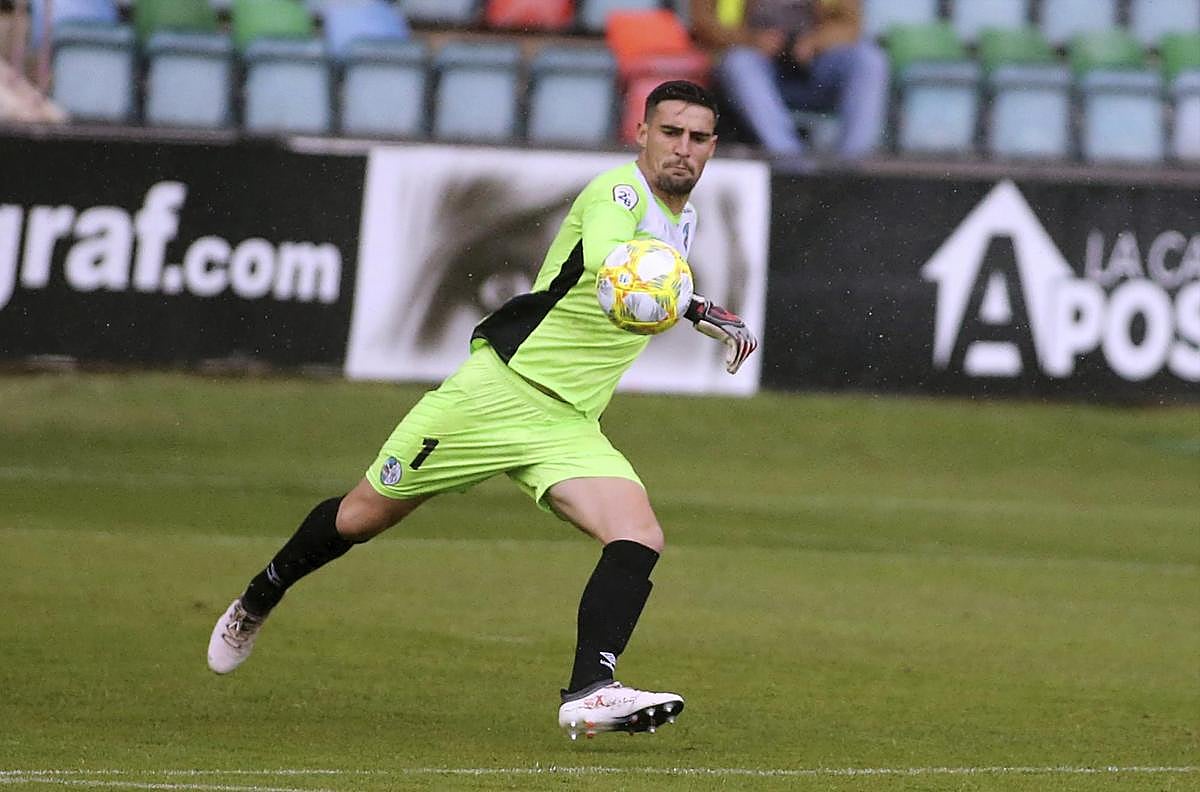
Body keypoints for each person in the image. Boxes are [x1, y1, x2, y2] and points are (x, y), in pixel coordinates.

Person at [206, 80, 759, 740]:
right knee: (360, 516)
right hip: (497, 394)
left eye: (698, 138)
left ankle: (590, 690)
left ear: (713, 148)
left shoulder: (686, 219)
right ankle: (261, 594)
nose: (683, 149)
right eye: (670, 132)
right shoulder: (618, 194)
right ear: (640, 134)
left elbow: (648, 286)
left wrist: (692, 309)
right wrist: (699, 307)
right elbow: (620, 262)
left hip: (567, 425)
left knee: (639, 536)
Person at [690, 0, 889, 159]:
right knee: (738, 63)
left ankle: (851, 167)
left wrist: (814, 42)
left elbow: (851, 25)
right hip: (757, 73)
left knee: (870, 60)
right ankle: (791, 162)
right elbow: (703, 24)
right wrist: (752, 40)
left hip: (817, 68)